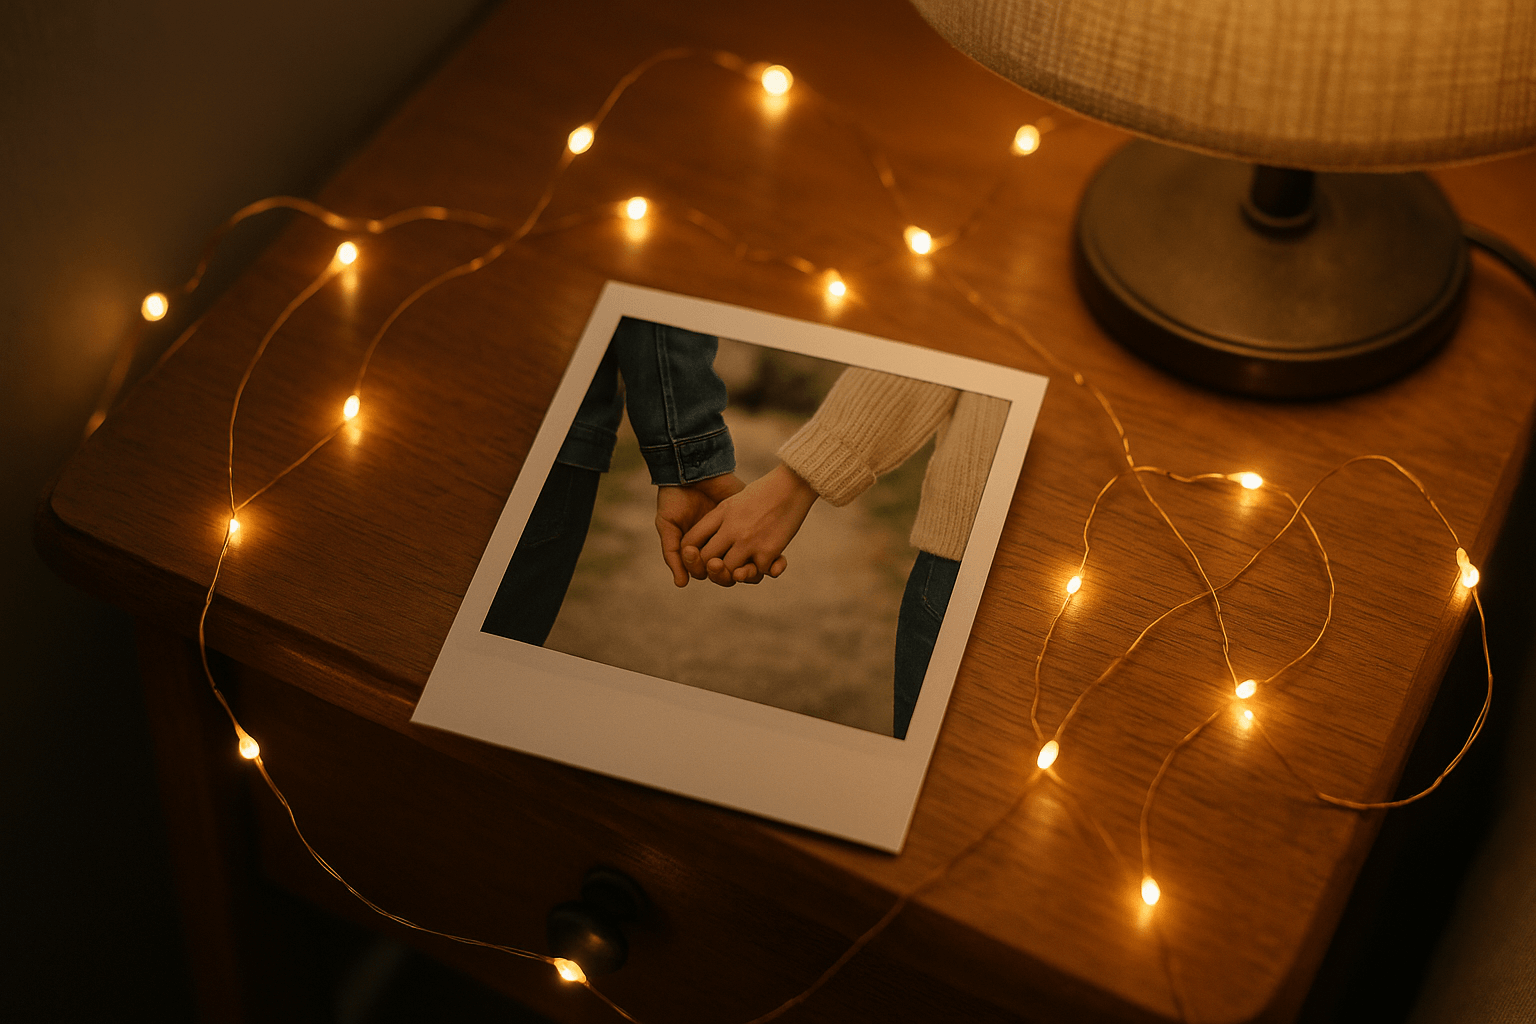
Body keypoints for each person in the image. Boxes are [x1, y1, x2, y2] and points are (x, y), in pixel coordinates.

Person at [678, 367, 1008, 738]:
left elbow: (927, 360)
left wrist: (792, 485)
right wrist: (795, 484)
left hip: (961, 565)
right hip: (964, 559)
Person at [481, 317, 779, 645]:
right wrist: (691, 460)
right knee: (491, 654)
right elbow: (659, 317)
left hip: (523, 424)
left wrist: (688, 466)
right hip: (552, 447)